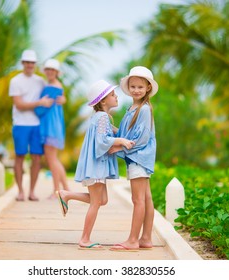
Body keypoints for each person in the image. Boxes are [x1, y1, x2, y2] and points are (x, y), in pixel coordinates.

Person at [56, 80, 135, 250]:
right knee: (96, 203)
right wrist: (121, 140)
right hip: (97, 166)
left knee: (102, 200)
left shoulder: (101, 117)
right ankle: (85, 239)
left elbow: (110, 133)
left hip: (96, 165)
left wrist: (121, 133)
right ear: (103, 101)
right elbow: (102, 141)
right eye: (113, 95)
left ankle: (66, 195)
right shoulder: (102, 117)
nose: (116, 96)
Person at [109, 66, 158, 251]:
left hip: (139, 158)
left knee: (138, 200)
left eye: (140, 87)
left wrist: (118, 146)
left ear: (147, 88)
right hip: (139, 159)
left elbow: (142, 138)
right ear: (128, 87)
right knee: (146, 198)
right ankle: (145, 238)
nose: (136, 90)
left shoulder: (144, 109)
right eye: (133, 86)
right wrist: (109, 128)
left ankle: (132, 240)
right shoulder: (132, 108)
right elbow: (124, 133)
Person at [9, 49, 54, 201]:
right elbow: (19, 104)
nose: (29, 65)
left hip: (37, 125)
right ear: (22, 63)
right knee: (19, 157)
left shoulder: (40, 81)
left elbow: (53, 92)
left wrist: (61, 99)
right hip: (20, 124)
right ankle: (20, 191)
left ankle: (32, 192)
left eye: (32, 63)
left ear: (35, 64)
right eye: (27, 62)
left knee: (36, 158)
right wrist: (39, 103)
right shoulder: (15, 81)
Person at [35, 59, 70, 199]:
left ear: (56, 72)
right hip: (54, 126)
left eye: (52, 70)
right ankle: (66, 190)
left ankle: (57, 191)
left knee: (51, 159)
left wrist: (36, 106)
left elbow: (40, 110)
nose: (49, 72)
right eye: (47, 69)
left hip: (50, 127)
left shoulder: (50, 88)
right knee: (54, 158)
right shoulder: (58, 86)